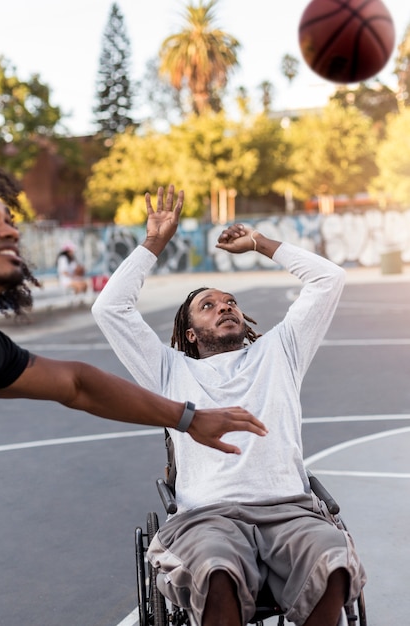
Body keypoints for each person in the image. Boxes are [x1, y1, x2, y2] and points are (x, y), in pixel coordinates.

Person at [92, 185, 367, 626]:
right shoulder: (168, 371)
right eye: (208, 305)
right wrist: (153, 244)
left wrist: (260, 243)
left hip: (289, 509)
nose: (225, 307)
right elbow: (110, 309)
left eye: (231, 302)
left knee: (334, 559)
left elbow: (328, 278)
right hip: (208, 516)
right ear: (189, 334)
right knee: (216, 570)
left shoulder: (280, 351)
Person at [0, 166, 267, 454]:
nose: (9, 231)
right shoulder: (174, 369)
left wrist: (189, 420)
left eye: (9, 220)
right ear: (190, 334)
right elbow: (106, 317)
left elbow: (78, 384)